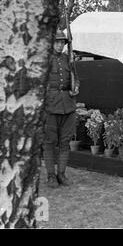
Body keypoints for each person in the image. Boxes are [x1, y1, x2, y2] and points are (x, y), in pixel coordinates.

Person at [43, 30, 79, 188]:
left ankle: (61, 174)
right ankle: (51, 176)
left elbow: (76, 78)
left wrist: (75, 88)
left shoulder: (68, 59)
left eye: (62, 43)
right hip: (50, 106)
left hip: (68, 105)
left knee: (65, 142)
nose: (59, 45)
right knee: (49, 143)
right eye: (57, 42)